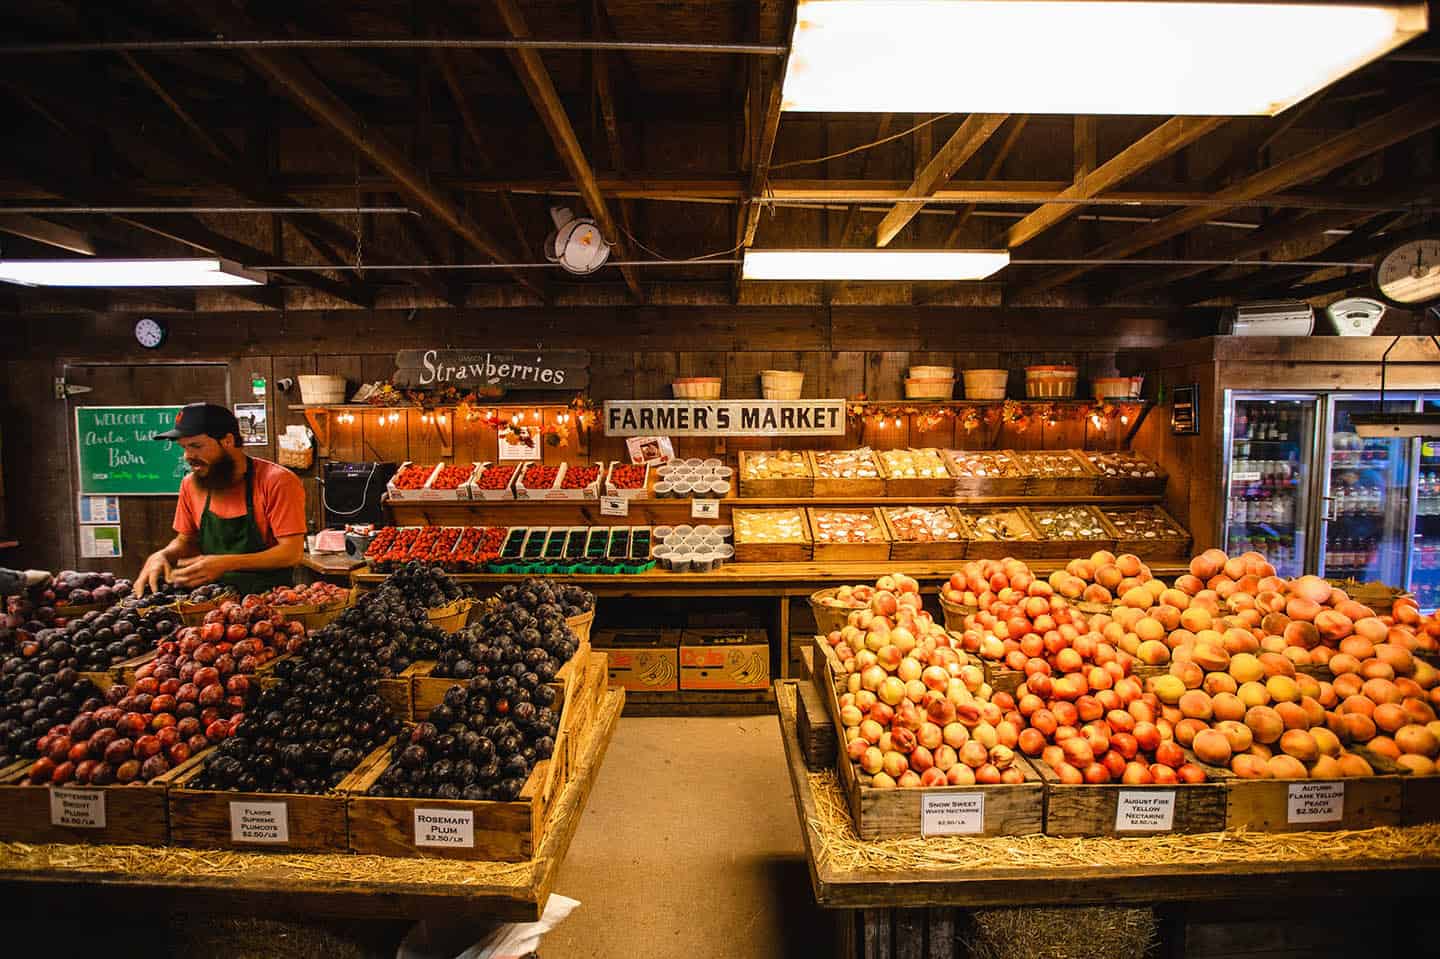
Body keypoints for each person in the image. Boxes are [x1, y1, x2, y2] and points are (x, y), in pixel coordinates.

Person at [136, 403, 306, 596]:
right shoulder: (190, 484)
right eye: (183, 447)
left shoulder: (276, 481)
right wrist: (164, 555)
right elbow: (186, 540)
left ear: (227, 441)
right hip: (209, 605)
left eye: (196, 446)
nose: (188, 456)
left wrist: (224, 563)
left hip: (269, 603)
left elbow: (291, 553)